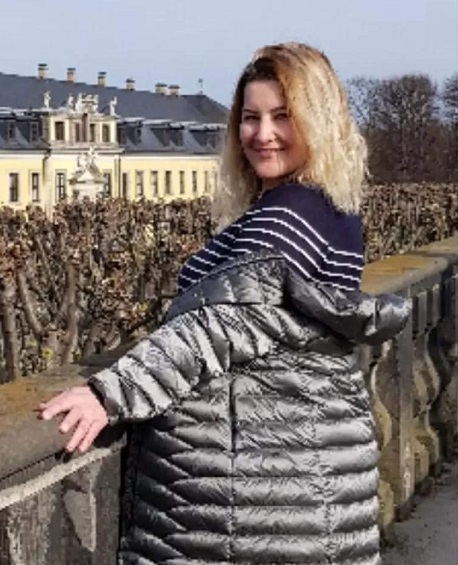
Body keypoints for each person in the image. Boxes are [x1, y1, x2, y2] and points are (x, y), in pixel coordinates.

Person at [40, 42, 410, 564]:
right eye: (250, 118)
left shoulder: (293, 212)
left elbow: (220, 324)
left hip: (253, 493)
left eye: (283, 116)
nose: (262, 134)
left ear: (320, 120)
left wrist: (111, 392)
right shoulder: (322, 206)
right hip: (283, 478)